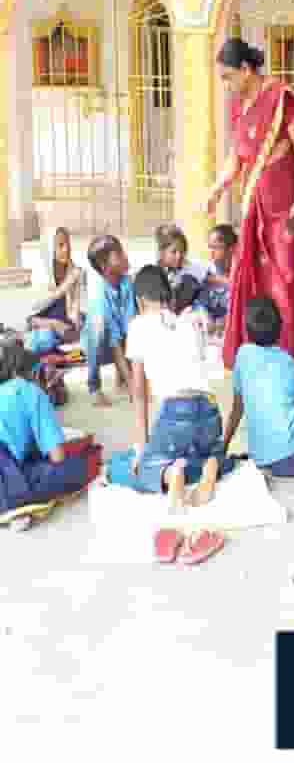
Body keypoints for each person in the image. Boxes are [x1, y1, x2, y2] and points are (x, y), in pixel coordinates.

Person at [207, 38, 294, 370]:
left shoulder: (280, 99)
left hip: (283, 208)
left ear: (247, 70)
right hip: (254, 207)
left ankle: (287, 356)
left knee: (286, 282)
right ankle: (257, 350)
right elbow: (238, 156)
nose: (227, 84)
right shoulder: (239, 107)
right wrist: (217, 188)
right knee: (253, 279)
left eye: (229, 76)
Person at [109, 265, 228, 566]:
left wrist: (142, 447)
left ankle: (168, 473)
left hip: (177, 413)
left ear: (139, 300)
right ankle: (210, 463)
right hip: (210, 413)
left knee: (120, 468)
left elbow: (139, 392)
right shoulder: (188, 322)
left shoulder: (138, 326)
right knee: (199, 454)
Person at [222, 297, 294, 478]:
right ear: (280, 328)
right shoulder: (288, 362)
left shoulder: (242, 355)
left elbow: (236, 410)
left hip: (262, 460)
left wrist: (224, 446)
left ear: (247, 330)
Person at [0, 341, 94, 519]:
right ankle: (17, 507)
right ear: (35, 373)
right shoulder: (32, 392)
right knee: (79, 466)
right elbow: (57, 457)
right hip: (5, 477)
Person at [81, 235, 136, 407]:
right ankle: (94, 386)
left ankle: (122, 377)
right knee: (99, 325)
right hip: (100, 346)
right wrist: (134, 386)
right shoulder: (99, 294)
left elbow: (131, 327)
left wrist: (132, 379)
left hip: (120, 342)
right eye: (119, 255)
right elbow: (114, 342)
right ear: (105, 267)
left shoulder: (127, 282)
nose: (125, 256)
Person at [28, 227, 84, 347]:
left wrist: (76, 322)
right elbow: (32, 313)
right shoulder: (41, 274)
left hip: (66, 324)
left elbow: (75, 308)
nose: (67, 249)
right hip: (45, 323)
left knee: (95, 325)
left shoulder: (73, 270)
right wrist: (54, 323)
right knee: (44, 338)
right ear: (50, 249)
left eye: (68, 244)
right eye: (61, 245)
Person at [197, 224, 236, 324]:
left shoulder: (243, 274)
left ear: (231, 248)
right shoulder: (205, 272)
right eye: (210, 247)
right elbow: (200, 305)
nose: (211, 252)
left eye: (216, 247)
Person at [155, 225, 214, 291]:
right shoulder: (154, 275)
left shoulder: (196, 269)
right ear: (162, 252)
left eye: (182, 251)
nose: (179, 256)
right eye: (173, 252)